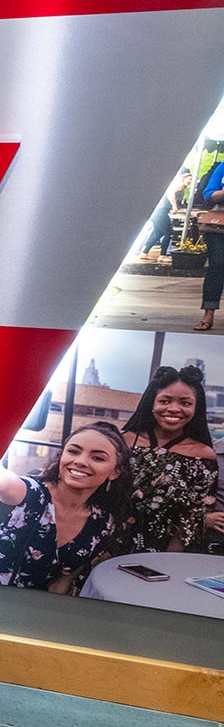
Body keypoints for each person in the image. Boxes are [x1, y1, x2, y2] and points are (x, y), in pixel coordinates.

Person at [0, 422, 130, 593]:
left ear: (115, 472)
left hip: (37, 612)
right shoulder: (28, 492)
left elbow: (62, 583)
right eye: (73, 451)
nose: (80, 461)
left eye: (98, 458)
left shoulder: (103, 523)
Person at [119, 364, 218, 554]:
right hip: (109, 540)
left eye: (185, 403)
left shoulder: (203, 454)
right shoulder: (123, 442)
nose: (174, 409)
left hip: (163, 548)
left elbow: (193, 516)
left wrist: (168, 560)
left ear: (196, 408)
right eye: (164, 401)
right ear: (151, 403)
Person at [195, 162, 224, 330]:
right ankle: (209, 312)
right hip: (218, 226)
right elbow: (208, 193)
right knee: (217, 265)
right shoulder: (223, 166)